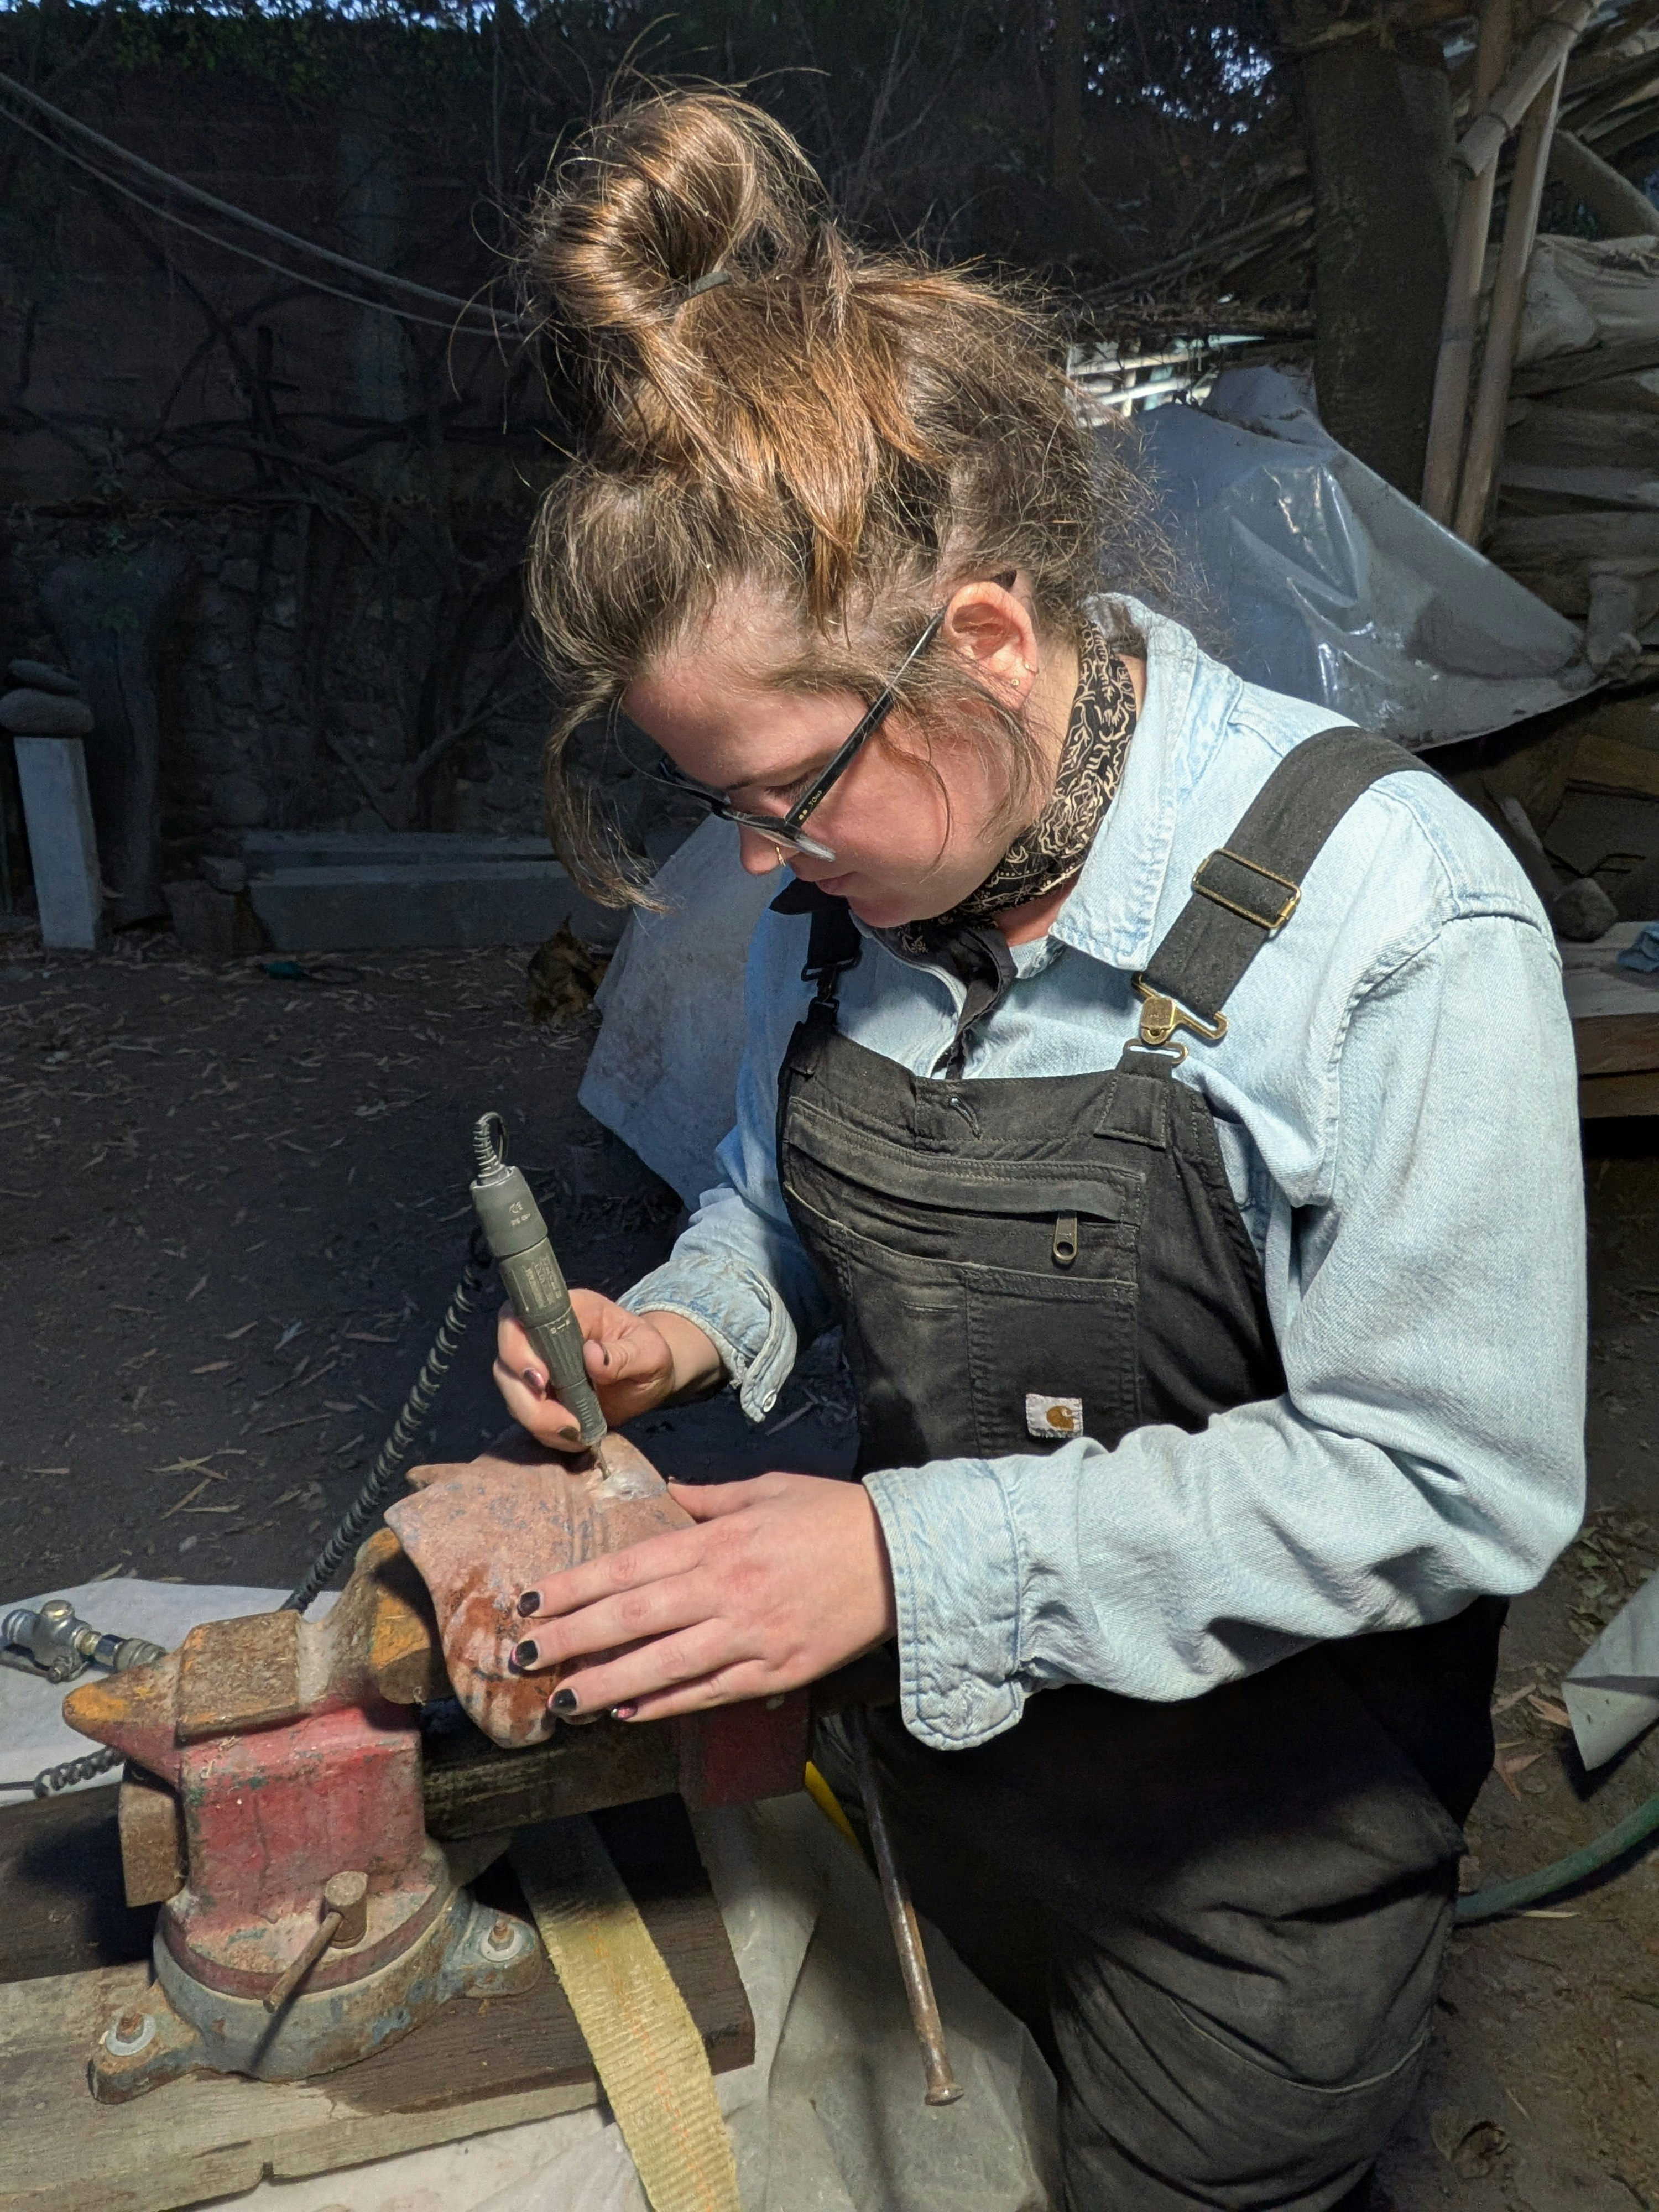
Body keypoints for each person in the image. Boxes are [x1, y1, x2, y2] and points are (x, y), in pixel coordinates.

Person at [493, 87, 1585, 2210]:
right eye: (719, 805)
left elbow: (1455, 1474)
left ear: (986, 642)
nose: (760, 862)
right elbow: (777, 1188)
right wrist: (689, 1323)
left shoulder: (1390, 918)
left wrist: (907, 1561)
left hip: (1254, 1885)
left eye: (792, 793)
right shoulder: (854, 887)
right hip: (949, 1776)